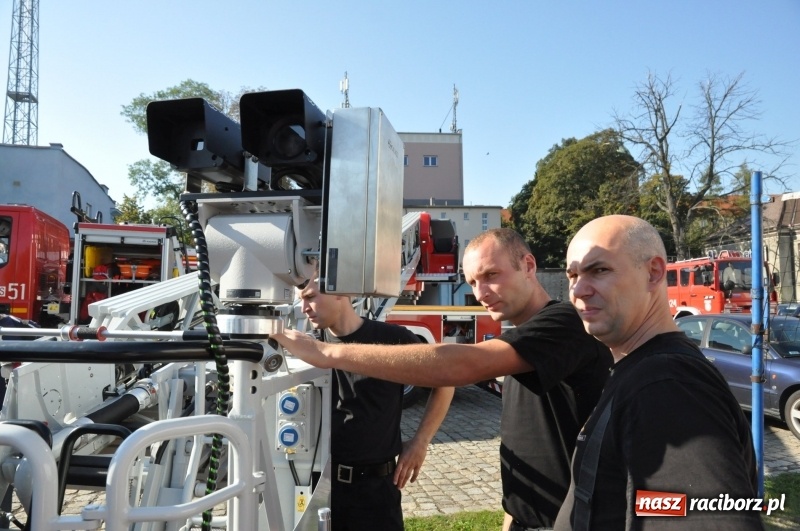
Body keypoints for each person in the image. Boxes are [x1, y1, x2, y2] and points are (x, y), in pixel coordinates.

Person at [274, 229, 613, 530]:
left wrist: (326, 353)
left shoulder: (566, 322)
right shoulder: (525, 344)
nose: (481, 292)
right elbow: (531, 445)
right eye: (472, 283)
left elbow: (458, 367)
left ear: (528, 265)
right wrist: (512, 517)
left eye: (491, 275)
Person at [555, 215, 762, 530]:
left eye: (599, 270)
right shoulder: (645, 372)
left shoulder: (667, 385)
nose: (578, 290)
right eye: (572, 275)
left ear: (653, 273)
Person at [295, 278, 454, 531]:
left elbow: (445, 382)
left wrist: (420, 442)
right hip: (317, 487)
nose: (304, 307)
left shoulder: (392, 340)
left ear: (341, 291)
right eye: (301, 299)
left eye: (310, 296)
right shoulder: (307, 347)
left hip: (375, 492)